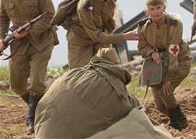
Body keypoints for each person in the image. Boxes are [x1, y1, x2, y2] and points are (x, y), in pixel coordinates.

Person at [35, 47, 172, 139]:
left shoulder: (72, 74)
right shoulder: (109, 84)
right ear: (115, 65)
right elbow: (130, 110)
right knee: (136, 122)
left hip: (42, 133)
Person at [0, 0, 57, 132]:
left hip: (42, 40)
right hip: (18, 42)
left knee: (37, 80)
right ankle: (41, 108)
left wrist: (30, 31)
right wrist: (1, 38)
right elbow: (2, 17)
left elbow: (50, 15)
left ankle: (31, 117)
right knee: (16, 84)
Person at [138, 0, 191, 130]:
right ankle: (178, 118)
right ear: (147, 10)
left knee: (165, 92)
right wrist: (151, 52)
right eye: (152, 8)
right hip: (158, 65)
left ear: (164, 7)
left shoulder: (175, 23)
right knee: (159, 104)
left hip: (179, 61)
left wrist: (169, 78)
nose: (156, 12)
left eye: (159, 7)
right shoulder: (143, 27)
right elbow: (142, 47)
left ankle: (179, 123)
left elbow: (174, 50)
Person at [67, 0, 139, 68]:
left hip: (102, 39)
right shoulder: (84, 7)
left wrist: (109, 38)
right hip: (81, 43)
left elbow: (109, 24)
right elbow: (95, 35)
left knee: (113, 70)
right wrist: (123, 36)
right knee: (81, 76)